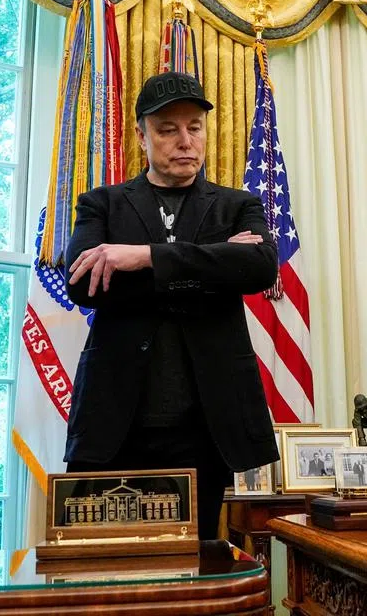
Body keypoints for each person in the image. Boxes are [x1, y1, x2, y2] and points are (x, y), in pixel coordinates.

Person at [63, 71, 280, 540]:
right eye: (168, 129)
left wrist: (142, 257)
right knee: (106, 562)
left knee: (197, 558)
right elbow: (83, 286)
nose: (185, 141)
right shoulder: (101, 204)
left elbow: (260, 268)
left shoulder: (237, 206)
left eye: (194, 127)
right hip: (116, 420)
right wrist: (214, 263)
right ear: (141, 136)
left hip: (207, 422)